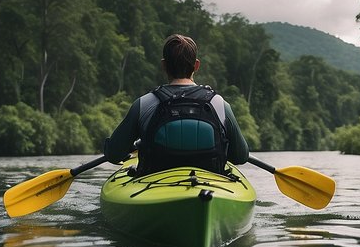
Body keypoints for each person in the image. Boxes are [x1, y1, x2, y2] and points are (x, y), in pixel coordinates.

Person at [104, 34, 250, 176]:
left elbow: (114, 154)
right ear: (196, 65)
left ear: (164, 65)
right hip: (211, 185)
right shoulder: (219, 104)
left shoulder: (143, 104)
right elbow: (240, 156)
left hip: (154, 182)